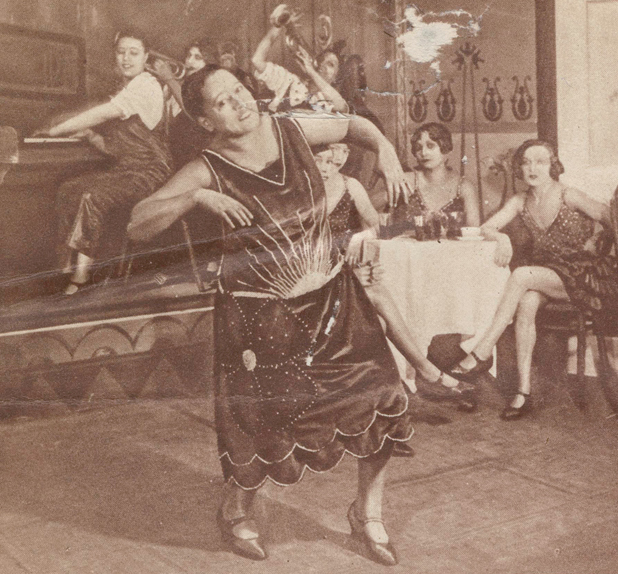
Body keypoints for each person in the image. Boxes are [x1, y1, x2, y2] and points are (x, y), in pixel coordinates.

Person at [128, 64, 414, 566]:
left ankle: (368, 514)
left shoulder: (292, 127)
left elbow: (354, 126)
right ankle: (236, 508)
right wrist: (195, 196)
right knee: (261, 422)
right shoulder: (207, 167)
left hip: (333, 297)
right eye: (222, 101)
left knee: (382, 396)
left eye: (239, 91)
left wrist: (386, 150)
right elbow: (137, 224)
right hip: (260, 319)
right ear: (203, 119)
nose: (239, 102)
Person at [448, 139, 618, 420]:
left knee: (521, 274)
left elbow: (611, 216)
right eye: (526, 162)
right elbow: (485, 228)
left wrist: (601, 240)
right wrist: (501, 236)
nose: (532, 168)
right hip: (549, 275)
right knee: (526, 301)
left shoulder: (569, 195)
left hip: (584, 275)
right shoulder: (520, 201)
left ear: (553, 165)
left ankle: (482, 350)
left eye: (540, 161)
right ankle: (523, 392)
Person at [313, 142, 476, 415]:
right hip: (312, 280)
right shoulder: (299, 192)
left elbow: (377, 225)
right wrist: (348, 269)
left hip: (341, 278)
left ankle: (394, 398)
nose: (327, 167)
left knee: (377, 296)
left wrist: (361, 239)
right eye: (319, 160)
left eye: (332, 160)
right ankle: (426, 371)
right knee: (376, 293)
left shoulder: (349, 185)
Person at [39, 29, 173, 294]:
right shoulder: (126, 88)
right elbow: (118, 148)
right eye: (121, 52)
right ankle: (63, 270)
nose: (126, 58)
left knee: (93, 196)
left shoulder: (146, 84)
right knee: (68, 189)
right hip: (127, 169)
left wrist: (55, 131)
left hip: (151, 172)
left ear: (146, 57)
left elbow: (103, 114)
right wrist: (90, 135)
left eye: (134, 53)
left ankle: (81, 278)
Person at [250, 6, 347, 113]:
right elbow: (257, 60)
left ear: (335, 77)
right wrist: (279, 25)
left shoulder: (325, 100)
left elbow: (341, 107)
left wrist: (311, 72)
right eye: (322, 60)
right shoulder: (290, 81)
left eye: (331, 64)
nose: (323, 64)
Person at [402, 122, 480, 230]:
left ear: (446, 150)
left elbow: (474, 231)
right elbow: (371, 211)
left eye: (430, 146)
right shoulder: (407, 181)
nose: (423, 152)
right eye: (418, 147)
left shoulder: (464, 187)